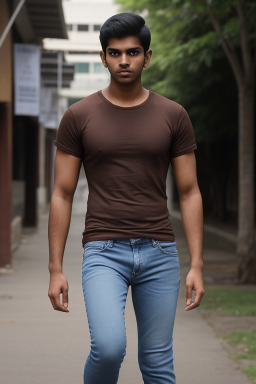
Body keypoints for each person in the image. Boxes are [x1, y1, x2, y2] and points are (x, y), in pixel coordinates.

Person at [48, 12, 204, 384]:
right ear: (103, 58)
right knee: (108, 346)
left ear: (147, 57)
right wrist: (55, 268)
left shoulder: (174, 115)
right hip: (103, 251)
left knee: (157, 363)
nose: (124, 61)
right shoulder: (78, 116)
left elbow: (189, 191)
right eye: (114, 53)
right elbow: (62, 193)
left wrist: (196, 263)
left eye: (132, 52)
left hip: (160, 251)